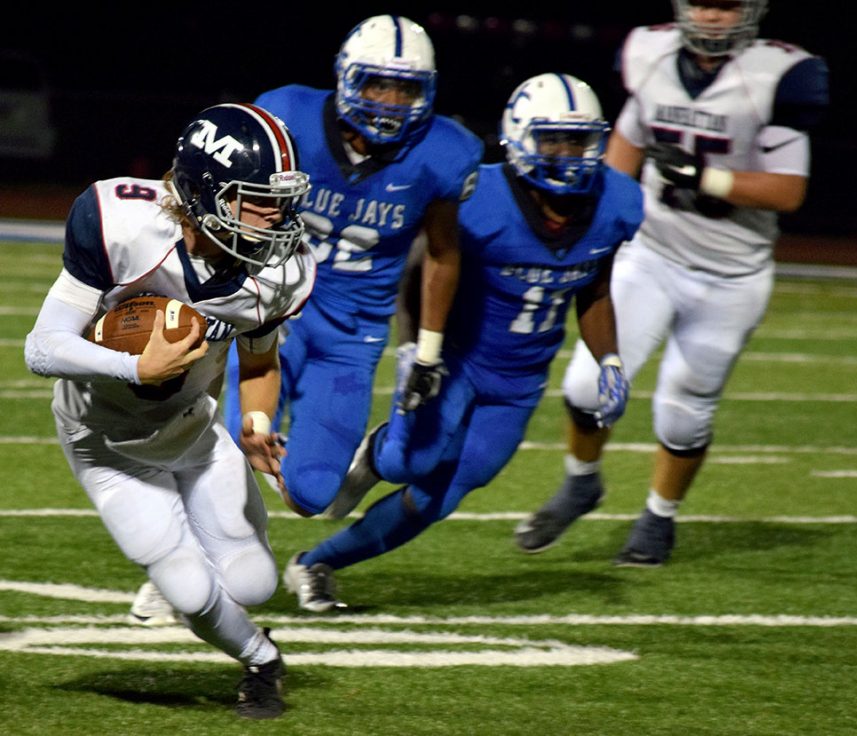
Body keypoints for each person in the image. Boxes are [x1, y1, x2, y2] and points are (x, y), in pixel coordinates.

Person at [281, 72, 644, 611]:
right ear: (519, 137)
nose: (567, 154)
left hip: (519, 381)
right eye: (551, 139)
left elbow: (593, 288)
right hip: (456, 361)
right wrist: (414, 352)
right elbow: (418, 275)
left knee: (442, 494)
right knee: (410, 462)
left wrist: (608, 358)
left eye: (578, 140)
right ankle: (376, 454)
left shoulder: (616, 201)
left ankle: (317, 564)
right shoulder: (481, 194)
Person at [24, 103, 317, 719]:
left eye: (282, 199)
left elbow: (261, 366)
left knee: (254, 583)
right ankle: (262, 661)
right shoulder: (122, 225)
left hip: (194, 433)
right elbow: (42, 347)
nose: (279, 216)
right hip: (103, 443)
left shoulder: (277, 270)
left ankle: (230, 595)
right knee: (187, 587)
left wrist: (257, 425)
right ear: (206, 193)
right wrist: (136, 367)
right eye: (259, 199)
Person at [515, 0, 830, 565]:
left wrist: (705, 175)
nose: (713, 18)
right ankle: (582, 481)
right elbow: (627, 145)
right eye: (704, 4)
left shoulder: (779, 74)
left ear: (751, 11)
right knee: (588, 387)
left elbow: (788, 190)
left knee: (683, 410)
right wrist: (597, 217)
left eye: (727, 6)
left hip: (733, 272)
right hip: (653, 254)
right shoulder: (649, 52)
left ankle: (659, 517)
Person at [221, 15, 483, 527]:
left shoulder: (444, 152)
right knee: (238, 439)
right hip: (271, 313)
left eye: (404, 88)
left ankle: (349, 460)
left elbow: (442, 253)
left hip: (351, 336)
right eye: (376, 83)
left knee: (312, 495)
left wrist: (425, 352)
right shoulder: (287, 115)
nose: (388, 101)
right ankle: (185, 563)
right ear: (345, 76)